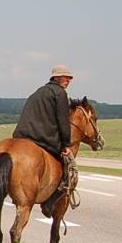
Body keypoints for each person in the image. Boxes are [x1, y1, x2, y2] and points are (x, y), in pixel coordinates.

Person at [12, 64, 76, 216]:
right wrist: (65, 144)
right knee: (66, 166)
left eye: (69, 78)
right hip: (42, 138)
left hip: (22, 135)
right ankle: (51, 200)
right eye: (65, 77)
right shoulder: (60, 93)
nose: (68, 80)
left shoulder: (37, 92)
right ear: (56, 78)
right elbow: (62, 121)